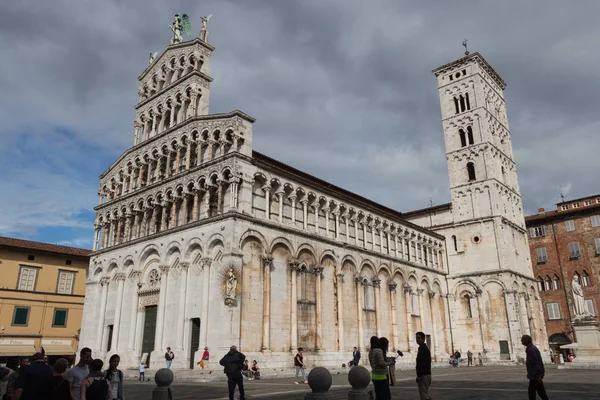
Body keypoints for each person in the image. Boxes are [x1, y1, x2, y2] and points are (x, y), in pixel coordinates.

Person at [521, 335, 549, 400]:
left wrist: (538, 375)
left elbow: (536, 363)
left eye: (522, 340)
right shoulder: (532, 348)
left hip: (535, 375)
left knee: (534, 392)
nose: (521, 341)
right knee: (538, 392)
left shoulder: (531, 350)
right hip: (534, 374)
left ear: (526, 340)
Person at [368, 336, 392, 400]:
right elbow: (382, 363)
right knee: (385, 395)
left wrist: (388, 359)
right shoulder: (379, 350)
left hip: (374, 375)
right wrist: (390, 363)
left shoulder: (371, 351)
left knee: (378, 395)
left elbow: (373, 362)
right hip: (381, 376)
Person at [416, 332, 433, 400]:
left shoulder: (423, 349)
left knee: (424, 396)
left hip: (424, 375)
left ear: (423, 339)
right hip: (425, 375)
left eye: (419, 338)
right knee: (425, 395)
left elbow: (423, 364)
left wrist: (419, 375)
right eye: (416, 338)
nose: (417, 339)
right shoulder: (422, 348)